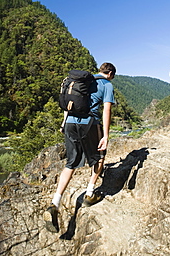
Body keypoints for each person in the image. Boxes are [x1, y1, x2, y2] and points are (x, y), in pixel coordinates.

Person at [43, 62, 116, 233]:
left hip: (70, 123)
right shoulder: (107, 85)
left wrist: (63, 124)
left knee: (71, 162)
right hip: (89, 123)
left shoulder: (80, 82)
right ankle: (90, 193)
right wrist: (105, 135)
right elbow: (107, 111)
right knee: (99, 156)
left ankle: (55, 203)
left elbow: (69, 104)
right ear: (110, 73)